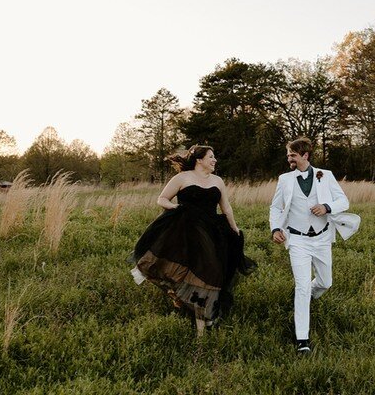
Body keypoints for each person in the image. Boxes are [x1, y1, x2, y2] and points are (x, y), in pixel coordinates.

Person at [130, 145, 255, 336]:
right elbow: (162, 199)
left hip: (212, 232)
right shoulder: (182, 178)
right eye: (211, 157)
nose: (215, 160)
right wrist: (176, 210)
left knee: (209, 273)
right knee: (182, 271)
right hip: (186, 231)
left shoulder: (218, 181)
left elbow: (226, 208)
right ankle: (194, 316)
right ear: (199, 160)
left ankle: (204, 322)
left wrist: (234, 228)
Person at [269, 137, 360, 354]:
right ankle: (303, 340)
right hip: (297, 239)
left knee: (325, 283)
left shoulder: (325, 175)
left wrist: (327, 207)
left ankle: (310, 294)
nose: (289, 158)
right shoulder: (284, 179)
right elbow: (275, 207)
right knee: (301, 287)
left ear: (305, 156)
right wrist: (275, 229)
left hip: (321, 239)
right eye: (288, 154)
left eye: (292, 154)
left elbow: (344, 201)